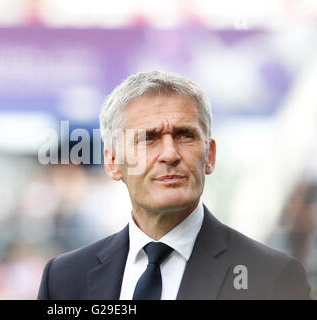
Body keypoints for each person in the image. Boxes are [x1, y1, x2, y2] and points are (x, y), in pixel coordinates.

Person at [37, 70, 311, 300]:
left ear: (210, 156)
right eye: (148, 138)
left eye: (184, 135)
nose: (169, 154)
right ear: (112, 162)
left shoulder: (271, 277)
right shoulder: (63, 280)